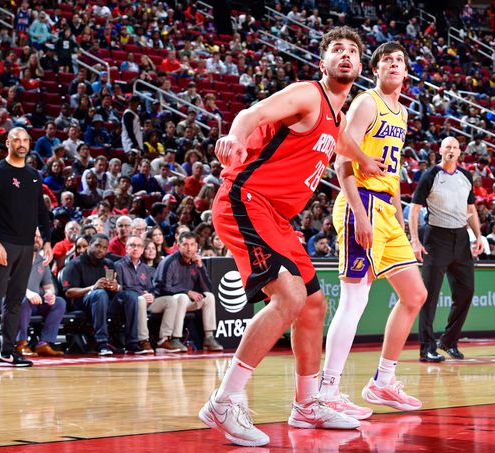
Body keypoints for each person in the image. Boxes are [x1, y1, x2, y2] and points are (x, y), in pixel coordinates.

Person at [201, 27, 381, 446]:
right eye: (337, 49)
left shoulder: (337, 117)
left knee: (315, 305)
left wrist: (365, 160)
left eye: (353, 51)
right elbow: (254, 114)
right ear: (323, 63)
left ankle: (307, 405)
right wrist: (233, 138)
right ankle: (225, 400)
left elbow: (341, 143)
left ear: (359, 67)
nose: (346, 55)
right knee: (289, 298)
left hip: (278, 218)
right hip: (247, 199)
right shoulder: (307, 94)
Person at [320, 41, 427, 420]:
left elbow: (392, 174)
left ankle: (383, 380)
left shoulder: (403, 113)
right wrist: (358, 213)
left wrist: (400, 222)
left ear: (406, 70)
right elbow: (341, 160)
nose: (394, 65)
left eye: (399, 60)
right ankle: (326, 390)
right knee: (355, 300)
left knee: (415, 294)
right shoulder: (367, 102)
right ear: (376, 70)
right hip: (360, 203)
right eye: (387, 61)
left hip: (386, 208)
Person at [0, 127, 52, 369]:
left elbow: (41, 210)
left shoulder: (34, 175)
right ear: (7, 142)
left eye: (25, 140)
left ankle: (8, 352)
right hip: (2, 243)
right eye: (16, 139)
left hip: (27, 244)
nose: (21, 144)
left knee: (16, 299)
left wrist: (47, 241)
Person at [409, 137, 483, 363]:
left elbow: (471, 209)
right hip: (436, 237)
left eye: (455, 147)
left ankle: (449, 341)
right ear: (440, 150)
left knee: (466, 292)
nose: (451, 150)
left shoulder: (465, 177)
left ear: (460, 152)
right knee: (429, 295)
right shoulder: (431, 175)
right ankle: (426, 347)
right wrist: (414, 240)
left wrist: (478, 235)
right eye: (447, 147)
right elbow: (414, 210)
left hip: (460, 238)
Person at [62, 233, 141, 355]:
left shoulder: (108, 264)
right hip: (82, 302)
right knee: (99, 293)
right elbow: (69, 292)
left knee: (131, 295)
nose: (101, 250)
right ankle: (102, 342)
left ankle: (132, 342)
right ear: (89, 245)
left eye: (104, 248)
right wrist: (92, 288)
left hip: (106, 301)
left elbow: (112, 284)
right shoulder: (75, 264)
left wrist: (116, 287)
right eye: (98, 246)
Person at [153, 231, 223, 352]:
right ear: (179, 246)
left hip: (185, 303)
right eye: (185, 244)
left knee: (209, 297)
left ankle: (209, 337)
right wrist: (187, 291)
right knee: (183, 297)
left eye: (192, 245)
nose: (189, 248)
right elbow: (163, 288)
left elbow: (208, 288)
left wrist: (201, 267)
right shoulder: (169, 262)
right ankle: (175, 338)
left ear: (196, 247)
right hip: (166, 301)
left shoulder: (196, 262)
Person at [114, 234, 181, 355]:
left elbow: (152, 288)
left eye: (139, 246)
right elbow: (120, 287)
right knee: (139, 299)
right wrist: (141, 294)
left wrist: (152, 295)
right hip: (129, 302)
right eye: (132, 245)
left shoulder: (145, 268)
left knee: (171, 300)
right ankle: (143, 340)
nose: (135, 248)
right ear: (126, 248)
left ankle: (164, 340)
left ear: (142, 249)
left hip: (146, 300)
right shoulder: (118, 265)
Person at [16, 231, 65, 357]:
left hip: (35, 303)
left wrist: (50, 295)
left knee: (59, 302)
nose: (37, 239)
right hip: (15, 301)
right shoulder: (16, 256)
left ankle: (43, 343)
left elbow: (48, 286)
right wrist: (27, 293)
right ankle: (21, 343)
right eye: (34, 236)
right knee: (24, 301)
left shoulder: (42, 260)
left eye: (39, 237)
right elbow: (8, 283)